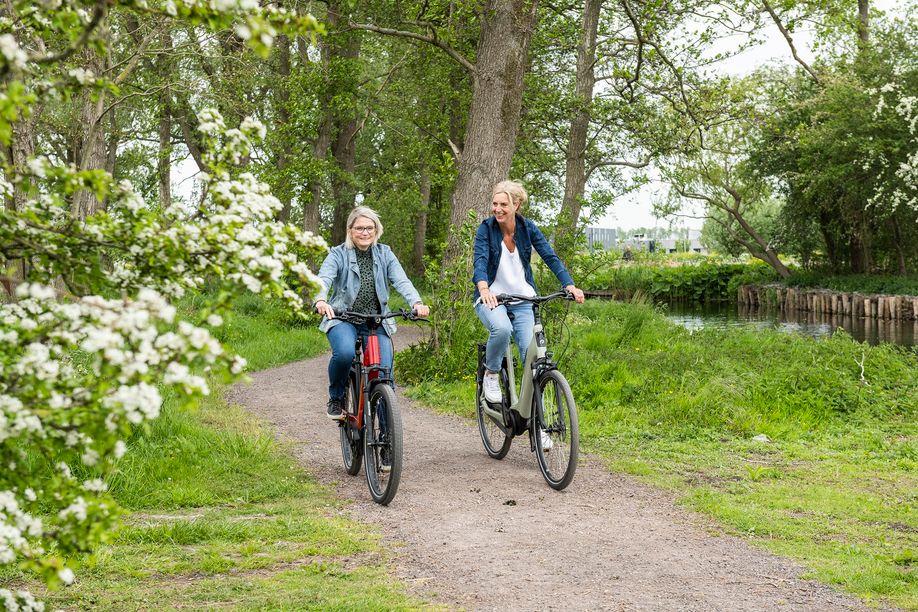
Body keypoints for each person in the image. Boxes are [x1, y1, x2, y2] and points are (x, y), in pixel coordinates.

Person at [472, 180, 585, 449]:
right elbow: (479, 260)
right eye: (495, 204)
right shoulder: (486, 230)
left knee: (534, 360)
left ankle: (538, 424)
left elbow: (549, 255)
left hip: (524, 299)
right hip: (492, 298)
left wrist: (568, 284)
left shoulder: (527, 228)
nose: (497, 209)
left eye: (503, 204)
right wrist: (484, 288)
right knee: (501, 330)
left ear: (516, 205)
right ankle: (490, 375)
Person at [314, 206, 430, 424]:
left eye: (370, 228)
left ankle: (387, 442)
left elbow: (401, 281)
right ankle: (336, 397)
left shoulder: (385, 253)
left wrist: (416, 302)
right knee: (345, 353)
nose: (365, 232)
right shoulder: (337, 254)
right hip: (342, 319)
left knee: (384, 375)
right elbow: (324, 278)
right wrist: (320, 299)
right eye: (359, 228)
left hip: (376, 322)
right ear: (350, 230)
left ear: (377, 230)